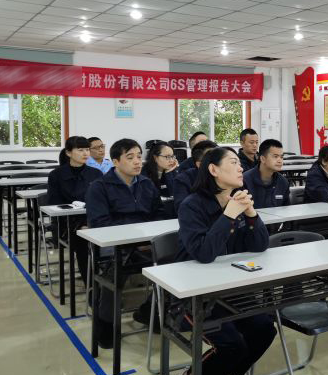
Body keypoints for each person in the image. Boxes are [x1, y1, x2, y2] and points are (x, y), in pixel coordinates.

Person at [173, 147, 275, 375]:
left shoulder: (237, 200)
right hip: (194, 294)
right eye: (233, 162)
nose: (241, 167)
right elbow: (204, 253)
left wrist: (250, 213)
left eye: (240, 163)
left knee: (265, 329)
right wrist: (229, 215)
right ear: (213, 170)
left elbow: (260, 246)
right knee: (232, 345)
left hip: (230, 287)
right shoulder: (192, 205)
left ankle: (233, 374)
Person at [85, 138, 165, 348]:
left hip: (147, 242)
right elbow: (100, 224)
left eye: (139, 156)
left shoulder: (147, 184)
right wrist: (138, 236)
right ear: (115, 162)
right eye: (130, 157)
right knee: (114, 272)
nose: (137, 161)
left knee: (175, 263)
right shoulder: (99, 187)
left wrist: (149, 237)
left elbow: (159, 214)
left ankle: (149, 311)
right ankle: (106, 326)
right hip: (114, 244)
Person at [47, 136, 103, 284]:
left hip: (92, 219)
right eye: (80, 150)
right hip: (67, 224)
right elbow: (54, 205)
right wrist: (80, 223)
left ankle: (108, 281)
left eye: (87, 149)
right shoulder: (56, 175)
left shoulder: (96, 174)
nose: (85, 153)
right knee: (84, 242)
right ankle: (91, 286)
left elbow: (102, 201)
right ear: (68, 152)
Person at [243, 139, 290, 208]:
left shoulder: (283, 182)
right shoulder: (245, 180)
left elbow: (286, 209)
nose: (280, 161)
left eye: (281, 157)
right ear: (263, 159)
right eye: (275, 156)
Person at [174, 140, 218, 214]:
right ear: (199, 164)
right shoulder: (183, 179)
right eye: (212, 159)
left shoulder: (226, 176)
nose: (219, 162)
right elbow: (182, 210)